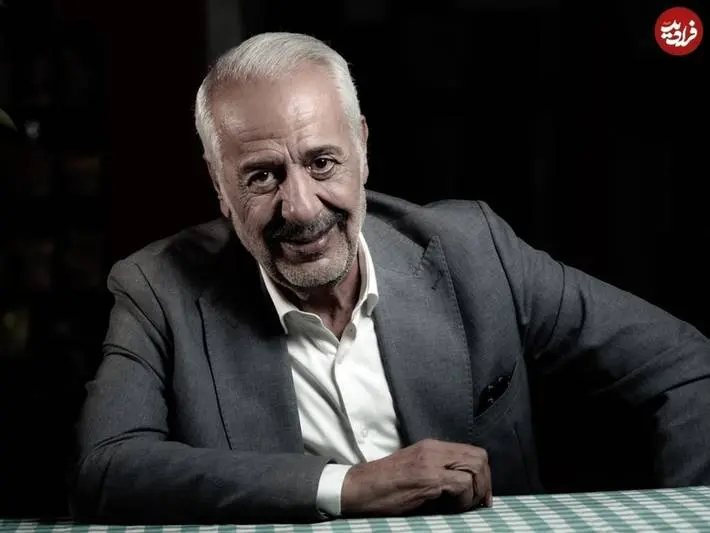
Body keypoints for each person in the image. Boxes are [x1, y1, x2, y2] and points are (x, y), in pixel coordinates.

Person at [69, 32, 710, 525]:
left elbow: (686, 365)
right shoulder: (157, 288)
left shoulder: (475, 251)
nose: (301, 208)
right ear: (219, 186)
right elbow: (106, 467)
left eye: (323, 163)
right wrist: (348, 486)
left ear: (363, 149)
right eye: (262, 176)